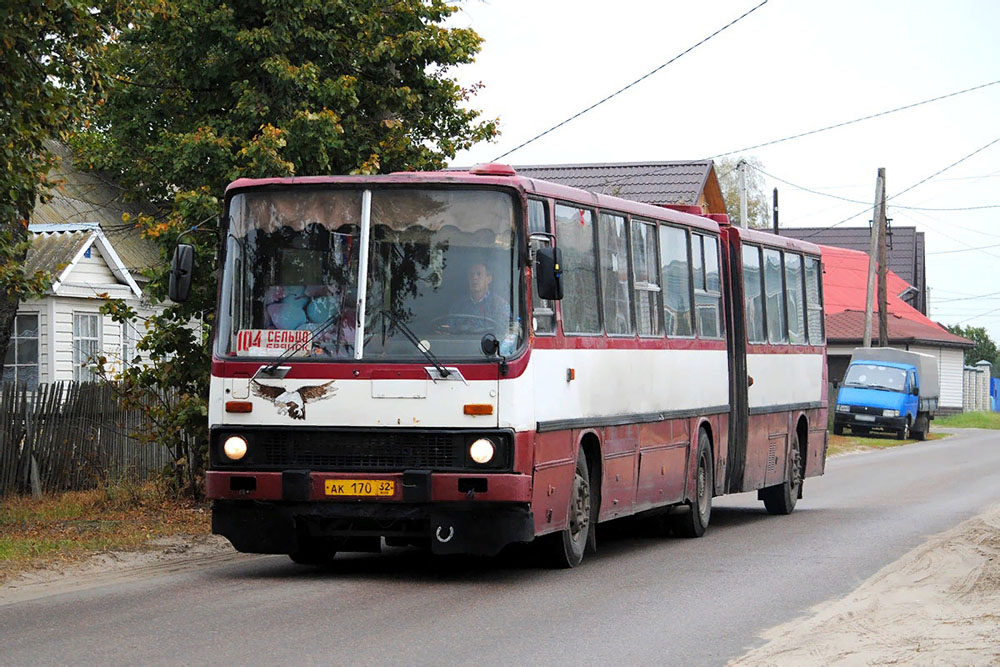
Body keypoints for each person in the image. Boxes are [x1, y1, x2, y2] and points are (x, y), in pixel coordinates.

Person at [447, 261, 510, 331]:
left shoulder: (500, 305)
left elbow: (503, 333)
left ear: (489, 279)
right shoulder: (458, 306)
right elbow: (450, 331)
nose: (474, 278)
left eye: (479, 274)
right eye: (471, 275)